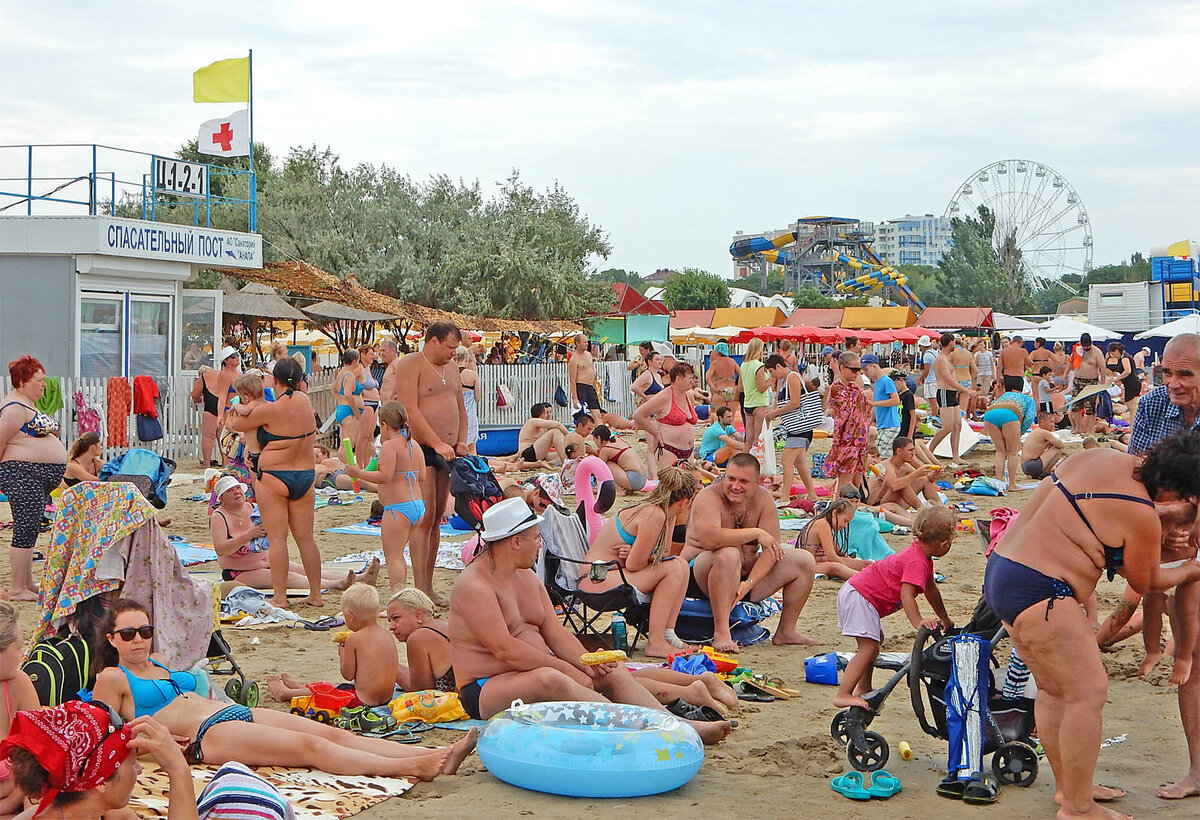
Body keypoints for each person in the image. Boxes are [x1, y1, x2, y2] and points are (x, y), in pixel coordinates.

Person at [983, 435, 1200, 814]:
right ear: (1175, 489)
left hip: (1004, 570)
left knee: (1053, 689)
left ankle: (1069, 790)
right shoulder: (1141, 511)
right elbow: (1144, 581)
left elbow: (1102, 529)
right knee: (1088, 693)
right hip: (1043, 589)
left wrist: (1166, 525)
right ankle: (1079, 808)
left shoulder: (1098, 458)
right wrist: (1191, 568)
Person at [447, 497, 732, 744]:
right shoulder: (474, 586)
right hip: (485, 686)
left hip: (527, 670)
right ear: (515, 541)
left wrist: (587, 662)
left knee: (607, 669)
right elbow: (504, 649)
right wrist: (565, 668)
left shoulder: (527, 578)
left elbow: (555, 634)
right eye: (536, 537)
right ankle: (647, 728)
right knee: (552, 678)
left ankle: (674, 724)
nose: (540, 544)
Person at [91, 598, 474, 781]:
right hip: (205, 736)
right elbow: (99, 733)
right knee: (313, 749)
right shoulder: (114, 677)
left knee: (331, 731)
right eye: (129, 634)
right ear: (113, 639)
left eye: (145, 630)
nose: (139, 639)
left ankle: (433, 752)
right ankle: (415, 767)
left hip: (226, 714)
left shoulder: (157, 663)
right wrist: (152, 742)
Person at [682, 453, 819, 653]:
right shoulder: (709, 497)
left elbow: (772, 549)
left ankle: (786, 631)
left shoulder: (763, 499)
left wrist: (749, 583)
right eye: (731, 478)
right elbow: (709, 539)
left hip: (745, 579)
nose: (735, 486)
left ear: (757, 482)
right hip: (702, 576)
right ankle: (721, 632)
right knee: (728, 554)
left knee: (803, 560)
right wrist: (755, 533)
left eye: (743, 481)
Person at [834, 504, 954, 709]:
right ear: (943, 543)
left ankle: (864, 687)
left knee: (874, 641)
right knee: (868, 647)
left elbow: (931, 589)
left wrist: (944, 617)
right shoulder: (916, 562)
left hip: (861, 595)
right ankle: (843, 694)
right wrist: (919, 622)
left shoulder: (922, 557)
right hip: (860, 596)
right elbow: (906, 595)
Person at [224, 358, 322, 608]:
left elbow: (235, 425)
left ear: (274, 380)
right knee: (306, 539)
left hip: (274, 475)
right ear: (300, 380)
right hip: (305, 474)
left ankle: (280, 597)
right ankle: (316, 595)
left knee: (277, 539)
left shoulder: (269, 410)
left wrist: (241, 408)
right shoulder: (305, 401)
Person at [579, 468, 699, 658]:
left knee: (680, 564)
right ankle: (656, 641)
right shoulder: (653, 514)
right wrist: (637, 556)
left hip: (607, 576)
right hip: (595, 580)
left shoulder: (659, 512)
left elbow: (665, 553)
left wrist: (640, 554)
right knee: (674, 568)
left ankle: (668, 634)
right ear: (685, 502)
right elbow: (635, 565)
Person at [394, 322, 468, 607]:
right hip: (423, 448)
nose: (453, 353)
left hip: (449, 451)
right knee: (423, 518)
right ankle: (420, 587)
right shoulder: (411, 365)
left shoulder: (451, 369)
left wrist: (461, 440)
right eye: (449, 347)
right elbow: (410, 409)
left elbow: (461, 408)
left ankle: (429, 584)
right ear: (433, 341)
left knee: (437, 516)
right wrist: (436, 442)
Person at [211, 475, 376, 593]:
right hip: (240, 572)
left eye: (238, 488)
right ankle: (336, 584)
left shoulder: (250, 508)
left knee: (305, 569)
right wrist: (248, 535)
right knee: (286, 578)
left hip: (267, 560)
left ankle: (360, 578)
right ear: (222, 498)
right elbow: (221, 549)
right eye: (230, 491)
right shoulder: (219, 517)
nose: (236, 492)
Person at [0, 355, 68, 601]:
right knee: (24, 528)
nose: (43, 384)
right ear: (23, 381)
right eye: (39, 380)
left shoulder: (27, 404)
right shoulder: (14, 408)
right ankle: (18, 588)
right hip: (22, 473)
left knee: (29, 529)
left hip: (34, 475)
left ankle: (27, 583)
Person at [343, 403, 424, 591]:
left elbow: (385, 477)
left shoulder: (390, 446)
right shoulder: (414, 445)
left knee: (394, 557)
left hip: (399, 508)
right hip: (417, 505)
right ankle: (402, 596)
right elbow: (422, 476)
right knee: (399, 555)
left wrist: (358, 473)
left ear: (385, 425)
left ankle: (397, 600)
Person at [0, 602, 40, 816]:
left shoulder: (18, 684)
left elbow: (39, 756)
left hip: (18, 799)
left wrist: (13, 800)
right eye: (18, 648)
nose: (22, 655)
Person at [385, 588, 455, 693]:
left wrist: (386, 663)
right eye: (390, 621)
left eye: (396, 618)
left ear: (418, 614)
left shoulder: (418, 638)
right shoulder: (442, 623)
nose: (391, 627)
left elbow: (422, 693)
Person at [633, 362, 700, 468]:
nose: (692, 381)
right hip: (669, 449)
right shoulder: (664, 396)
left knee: (691, 482)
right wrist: (655, 433)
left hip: (689, 450)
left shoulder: (689, 395)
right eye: (689, 378)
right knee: (670, 483)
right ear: (678, 379)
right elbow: (638, 415)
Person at [823, 352, 871, 493]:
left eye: (859, 370)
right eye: (854, 370)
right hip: (846, 442)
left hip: (859, 440)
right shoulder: (836, 388)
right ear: (842, 368)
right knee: (845, 486)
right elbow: (847, 413)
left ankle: (852, 512)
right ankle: (840, 512)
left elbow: (864, 410)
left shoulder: (854, 387)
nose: (857, 373)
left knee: (856, 486)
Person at [794, 499, 871, 580]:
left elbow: (839, 553)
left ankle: (877, 574)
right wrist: (846, 568)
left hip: (822, 562)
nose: (845, 526)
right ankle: (867, 579)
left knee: (866, 564)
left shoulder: (827, 525)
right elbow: (831, 556)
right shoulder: (822, 524)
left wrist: (851, 561)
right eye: (845, 521)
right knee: (835, 566)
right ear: (834, 513)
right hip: (808, 565)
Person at [928, 333, 972, 466]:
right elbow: (948, 380)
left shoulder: (948, 359)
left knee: (957, 425)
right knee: (947, 427)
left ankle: (956, 456)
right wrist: (966, 390)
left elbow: (953, 379)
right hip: (945, 393)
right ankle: (929, 450)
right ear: (951, 343)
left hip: (952, 394)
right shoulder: (941, 359)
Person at [192, 347, 241, 466]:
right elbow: (222, 396)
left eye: (237, 355)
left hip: (228, 407)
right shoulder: (225, 375)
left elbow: (195, 394)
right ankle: (215, 463)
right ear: (226, 361)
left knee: (222, 437)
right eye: (233, 356)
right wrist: (220, 415)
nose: (237, 357)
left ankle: (218, 463)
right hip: (226, 408)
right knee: (218, 436)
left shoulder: (237, 374)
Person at [980, 389, 1037, 491]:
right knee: (1012, 452)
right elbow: (1028, 419)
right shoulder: (1029, 400)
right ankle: (1011, 485)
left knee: (1000, 451)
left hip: (990, 414)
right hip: (1011, 414)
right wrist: (1019, 435)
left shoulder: (1006, 395)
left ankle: (999, 483)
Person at [876, 436, 943, 510]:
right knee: (902, 484)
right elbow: (893, 486)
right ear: (899, 451)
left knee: (923, 479)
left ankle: (941, 509)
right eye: (910, 450)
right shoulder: (887, 465)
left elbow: (925, 480)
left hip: (897, 502)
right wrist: (916, 473)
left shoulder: (905, 466)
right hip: (881, 504)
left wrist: (933, 475)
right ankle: (921, 509)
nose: (913, 454)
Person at [333, 349, 367, 463]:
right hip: (349, 411)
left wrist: (340, 400)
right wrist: (355, 410)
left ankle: (343, 465)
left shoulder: (341, 373)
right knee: (349, 442)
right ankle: (347, 466)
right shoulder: (350, 376)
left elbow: (333, 389)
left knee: (343, 443)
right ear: (354, 361)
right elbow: (348, 393)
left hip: (342, 408)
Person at [862, 355, 900, 458]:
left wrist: (874, 403)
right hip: (883, 424)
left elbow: (896, 400)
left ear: (874, 366)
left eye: (866, 369)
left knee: (883, 453)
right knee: (883, 453)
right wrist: (868, 422)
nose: (865, 373)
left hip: (890, 424)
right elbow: (876, 406)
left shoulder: (886, 381)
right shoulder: (878, 382)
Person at [591, 424, 648, 493]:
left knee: (607, 465)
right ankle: (628, 490)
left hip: (634, 480)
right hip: (643, 479)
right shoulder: (618, 440)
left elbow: (598, 468)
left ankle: (618, 490)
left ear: (599, 438)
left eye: (595, 440)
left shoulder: (605, 449)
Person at [1070, 332, 1107, 434]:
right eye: (1084, 346)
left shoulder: (1097, 352)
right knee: (1075, 407)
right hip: (1078, 380)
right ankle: (1078, 427)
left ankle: (1090, 429)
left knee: (1090, 407)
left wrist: (1102, 385)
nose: (1086, 349)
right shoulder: (1078, 350)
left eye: (1087, 346)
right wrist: (1065, 374)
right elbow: (1071, 362)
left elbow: (1103, 369)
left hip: (1091, 382)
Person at [739, 338, 770, 454]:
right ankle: (757, 461)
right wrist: (771, 379)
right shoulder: (759, 365)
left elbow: (741, 387)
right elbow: (761, 388)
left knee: (749, 439)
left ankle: (745, 460)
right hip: (759, 403)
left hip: (748, 403)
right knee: (758, 437)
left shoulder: (744, 365)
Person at [1017, 411, 1067, 481]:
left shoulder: (1036, 431)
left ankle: (1039, 473)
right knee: (1057, 450)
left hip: (1025, 466)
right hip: (1031, 465)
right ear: (1043, 422)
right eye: (1051, 422)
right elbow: (1061, 445)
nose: (1053, 425)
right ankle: (1045, 473)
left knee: (1051, 449)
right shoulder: (1044, 432)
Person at [355, 345, 381, 468]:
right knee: (363, 436)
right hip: (366, 403)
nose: (373, 356)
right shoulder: (359, 368)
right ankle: (360, 465)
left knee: (370, 437)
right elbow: (348, 380)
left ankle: (367, 463)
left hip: (375, 403)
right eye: (371, 354)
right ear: (362, 355)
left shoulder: (368, 369)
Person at [568, 333, 602, 414]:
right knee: (583, 415)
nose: (586, 344)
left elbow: (591, 371)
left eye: (587, 342)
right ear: (577, 343)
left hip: (590, 387)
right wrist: (575, 398)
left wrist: (594, 386)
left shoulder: (589, 355)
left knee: (597, 413)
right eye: (584, 342)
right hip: (581, 387)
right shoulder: (574, 360)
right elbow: (572, 380)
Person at [455, 346, 479, 455]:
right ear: (466, 358)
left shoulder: (450, 374)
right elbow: (478, 397)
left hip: (455, 412)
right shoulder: (472, 375)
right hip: (470, 413)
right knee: (472, 448)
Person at [918, 336, 939, 417]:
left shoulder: (926, 355)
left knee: (932, 401)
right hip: (936, 379)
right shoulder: (935, 352)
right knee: (936, 401)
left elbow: (926, 370)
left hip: (930, 381)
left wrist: (920, 379)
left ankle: (934, 417)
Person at [895, 373, 918, 440]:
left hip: (906, 430)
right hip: (900, 429)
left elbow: (913, 416)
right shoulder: (898, 395)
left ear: (901, 381)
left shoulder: (908, 395)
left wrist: (910, 435)